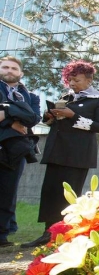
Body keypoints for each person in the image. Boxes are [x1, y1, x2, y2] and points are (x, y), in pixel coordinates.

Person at [22, 60, 99, 248]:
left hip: (77, 156)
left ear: (88, 80)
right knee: (50, 194)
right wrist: (49, 117)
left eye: (76, 80)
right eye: (69, 80)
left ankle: (66, 235)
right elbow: (53, 124)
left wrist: (73, 116)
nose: (72, 84)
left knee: (69, 196)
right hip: (56, 152)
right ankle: (48, 233)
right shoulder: (65, 97)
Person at [0, 56, 40, 247]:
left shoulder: (31, 96)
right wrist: (14, 118)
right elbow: (24, 116)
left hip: (17, 149)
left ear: (20, 73)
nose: (9, 71)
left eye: (14, 68)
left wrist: (6, 112)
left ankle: (2, 234)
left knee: (8, 191)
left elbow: (33, 118)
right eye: (5, 67)